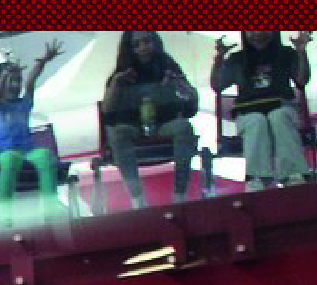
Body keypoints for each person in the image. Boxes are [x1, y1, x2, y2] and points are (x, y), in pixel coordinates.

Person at [101, 31, 199, 205]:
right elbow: (107, 113)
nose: (143, 48)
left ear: (155, 42)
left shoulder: (168, 65)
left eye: (147, 41)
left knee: (184, 127)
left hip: (164, 124)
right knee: (118, 133)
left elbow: (192, 103)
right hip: (133, 127)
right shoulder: (121, 72)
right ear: (129, 49)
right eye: (136, 44)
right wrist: (116, 83)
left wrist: (179, 85)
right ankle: (137, 199)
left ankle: (180, 195)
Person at [211, 32, 312, 188]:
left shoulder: (285, 53)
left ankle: (293, 175)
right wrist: (219, 59)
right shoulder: (237, 59)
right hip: (248, 113)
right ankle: (257, 178)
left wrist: (301, 52)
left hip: (282, 108)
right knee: (256, 121)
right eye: (251, 30)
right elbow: (217, 86)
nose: (257, 34)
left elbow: (301, 80)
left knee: (278, 117)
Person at [0, 41, 63, 204]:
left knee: (44, 155)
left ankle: (51, 205)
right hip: (2, 155)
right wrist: (5, 74)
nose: (15, 85)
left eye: (17, 80)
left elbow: (31, 81)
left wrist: (43, 61)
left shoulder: (24, 104)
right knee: (10, 158)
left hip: (26, 153)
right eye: (10, 81)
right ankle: (5, 208)